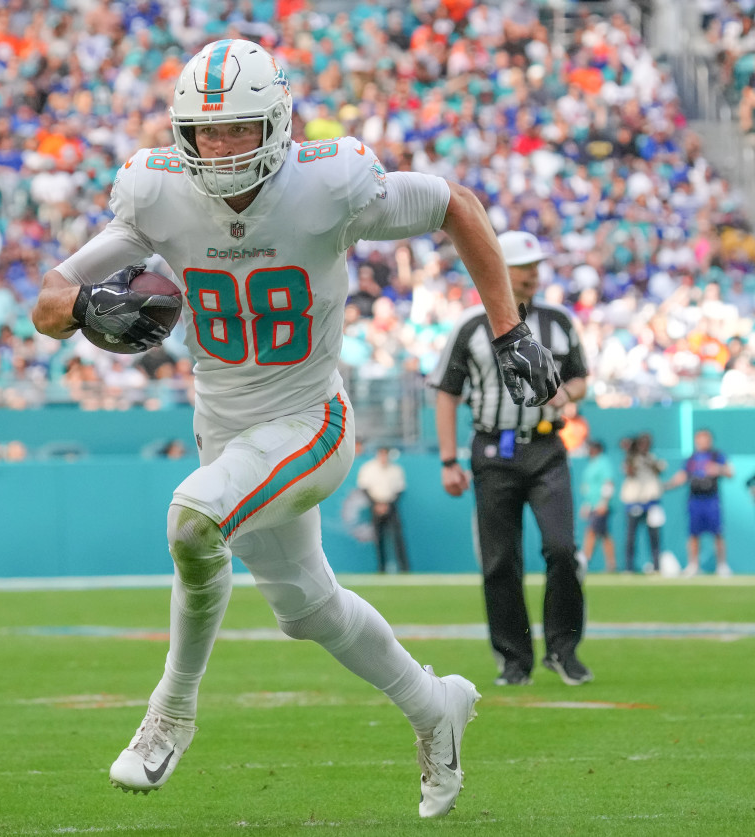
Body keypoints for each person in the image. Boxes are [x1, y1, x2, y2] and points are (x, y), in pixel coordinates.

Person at [31, 39, 559, 818]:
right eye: (206, 132)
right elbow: (47, 300)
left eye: (238, 129)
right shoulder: (157, 192)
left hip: (308, 420)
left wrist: (509, 328)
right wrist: (79, 310)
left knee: (191, 519)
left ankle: (171, 711)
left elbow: (456, 206)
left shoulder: (330, 184)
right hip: (225, 428)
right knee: (307, 608)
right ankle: (433, 705)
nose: (219, 147)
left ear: (276, 124)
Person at [432, 229, 591, 688]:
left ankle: (564, 650)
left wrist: (564, 393)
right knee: (500, 561)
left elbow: (581, 379)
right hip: (492, 450)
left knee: (562, 549)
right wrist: (447, 460)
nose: (533, 274)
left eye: (536, 265)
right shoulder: (469, 325)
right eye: (525, 266)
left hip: (546, 446)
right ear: (500, 267)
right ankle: (514, 659)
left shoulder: (558, 320)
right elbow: (446, 392)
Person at [663, 429, 734, 578]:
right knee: (694, 534)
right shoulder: (691, 459)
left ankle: (722, 565)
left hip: (712, 500)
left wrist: (719, 469)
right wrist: (665, 486)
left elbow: (730, 472)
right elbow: (681, 477)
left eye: (705, 438)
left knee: (718, 534)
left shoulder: (717, 456)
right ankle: (693, 565)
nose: (702, 442)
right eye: (699, 439)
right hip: (695, 500)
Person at [356, 445, 411, 573]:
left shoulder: (396, 470)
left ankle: (404, 569)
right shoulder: (368, 468)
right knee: (378, 539)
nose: (383, 457)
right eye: (381, 453)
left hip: (391, 507)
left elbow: (400, 490)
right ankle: (382, 568)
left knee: (397, 538)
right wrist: (376, 504)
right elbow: (364, 488)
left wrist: (387, 505)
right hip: (375, 506)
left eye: (385, 453)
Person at [619, 433, 666, 574]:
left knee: (654, 537)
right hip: (634, 502)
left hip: (651, 503)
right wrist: (630, 454)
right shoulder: (632, 459)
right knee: (631, 537)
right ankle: (629, 567)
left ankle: (656, 566)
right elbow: (630, 472)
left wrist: (647, 460)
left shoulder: (652, 458)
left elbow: (658, 469)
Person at [578, 439, 617, 573]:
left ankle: (584, 561)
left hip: (601, 505)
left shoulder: (603, 462)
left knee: (592, 531)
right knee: (603, 533)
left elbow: (608, 482)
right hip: (593, 504)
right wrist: (587, 504)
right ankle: (611, 563)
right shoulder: (591, 463)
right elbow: (589, 487)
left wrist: (604, 502)